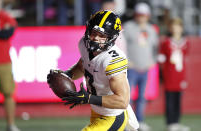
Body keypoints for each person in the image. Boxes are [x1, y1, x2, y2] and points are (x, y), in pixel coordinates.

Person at [47, 10, 139, 131]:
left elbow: (122, 101)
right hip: (97, 111)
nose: (95, 38)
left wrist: (88, 98)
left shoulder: (113, 60)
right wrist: (67, 75)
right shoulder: (84, 44)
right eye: (93, 32)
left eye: (102, 35)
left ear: (111, 38)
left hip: (113, 116)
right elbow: (83, 66)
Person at [123, 2, 159, 131]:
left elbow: (155, 48)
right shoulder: (128, 27)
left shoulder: (151, 29)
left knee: (142, 98)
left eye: (143, 15)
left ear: (148, 16)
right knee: (128, 98)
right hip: (131, 68)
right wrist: (126, 61)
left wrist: (153, 61)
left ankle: (139, 121)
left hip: (145, 69)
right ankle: (127, 122)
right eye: (139, 15)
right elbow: (120, 45)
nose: (141, 17)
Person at [159, 18, 190, 131]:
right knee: (170, 101)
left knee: (178, 100)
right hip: (169, 75)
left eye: (178, 26)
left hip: (180, 75)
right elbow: (161, 58)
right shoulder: (167, 42)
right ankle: (170, 123)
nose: (176, 29)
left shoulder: (185, 42)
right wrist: (161, 74)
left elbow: (184, 57)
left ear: (181, 28)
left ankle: (176, 122)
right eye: (173, 26)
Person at [0, 0, 19, 131]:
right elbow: (3, 33)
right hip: (2, 61)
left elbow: (8, 33)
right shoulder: (4, 18)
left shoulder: (5, 17)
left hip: (4, 61)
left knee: (9, 93)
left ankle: (10, 124)